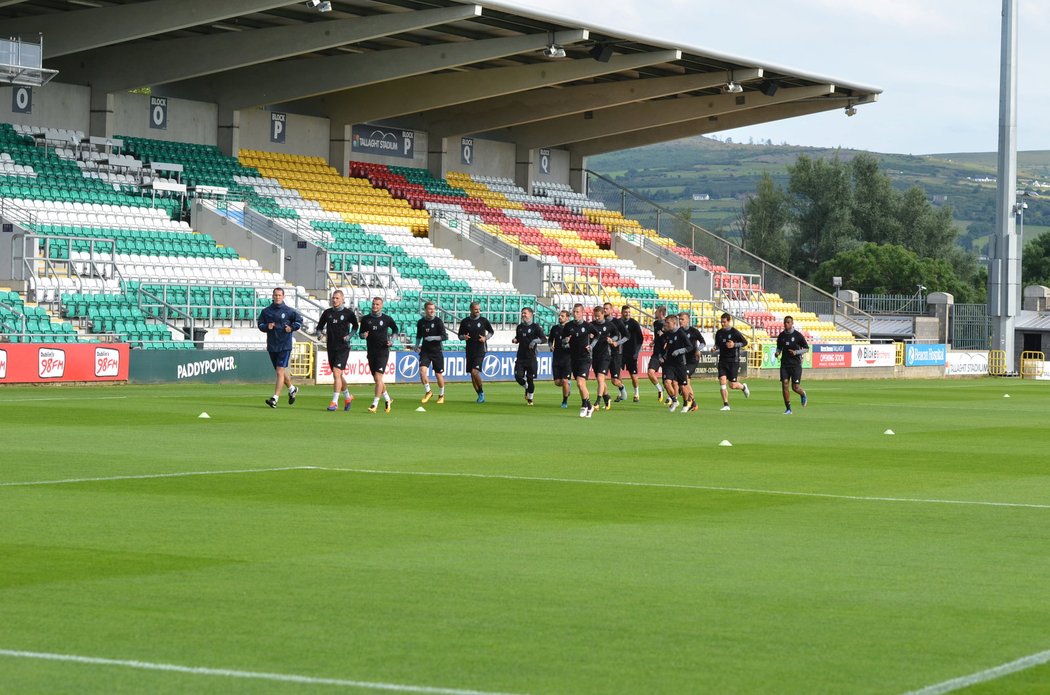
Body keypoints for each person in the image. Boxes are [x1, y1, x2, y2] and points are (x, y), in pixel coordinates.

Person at [258, 287, 303, 408]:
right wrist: (267, 326)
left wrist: (291, 328)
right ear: (272, 296)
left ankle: (275, 398)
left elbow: (299, 321)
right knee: (280, 373)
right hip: (272, 345)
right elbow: (260, 325)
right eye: (276, 295)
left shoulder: (289, 311)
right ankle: (292, 389)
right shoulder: (266, 311)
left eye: (279, 295)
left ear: (283, 297)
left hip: (285, 345)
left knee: (279, 371)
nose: (277, 297)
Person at [315, 289, 358, 412]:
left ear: (343, 299)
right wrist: (319, 334)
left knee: (336, 372)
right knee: (338, 375)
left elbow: (355, 326)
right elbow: (319, 327)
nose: (335, 300)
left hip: (343, 347)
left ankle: (334, 402)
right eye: (333, 298)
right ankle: (347, 397)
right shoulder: (327, 313)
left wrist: (349, 336)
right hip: (331, 347)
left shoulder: (348, 313)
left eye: (337, 298)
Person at [359, 296, 398, 413]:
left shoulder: (387, 319)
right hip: (371, 352)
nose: (375, 306)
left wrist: (392, 341)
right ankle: (387, 399)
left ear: (381, 306)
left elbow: (395, 329)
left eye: (377, 304)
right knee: (378, 380)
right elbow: (361, 333)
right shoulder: (366, 319)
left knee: (378, 378)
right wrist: (363, 335)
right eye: (373, 304)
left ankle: (374, 404)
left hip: (383, 351)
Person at [711, 312, 751, 411]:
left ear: (729, 321)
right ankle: (726, 404)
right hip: (723, 360)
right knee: (722, 381)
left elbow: (745, 342)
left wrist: (735, 345)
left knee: (732, 385)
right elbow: (718, 344)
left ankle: (743, 387)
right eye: (721, 322)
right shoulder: (719, 333)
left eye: (724, 322)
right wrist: (715, 348)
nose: (722, 324)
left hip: (733, 360)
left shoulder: (735, 332)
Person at [564, 303, 599, 417]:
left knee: (580, 382)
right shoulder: (568, 326)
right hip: (573, 358)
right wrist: (566, 341)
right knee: (581, 385)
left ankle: (584, 405)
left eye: (578, 312)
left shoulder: (587, 326)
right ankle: (589, 407)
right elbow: (563, 341)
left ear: (582, 312)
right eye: (574, 311)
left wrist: (591, 346)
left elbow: (597, 335)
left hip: (585, 357)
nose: (575, 314)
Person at [458, 301, 494, 403]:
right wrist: (464, 337)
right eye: (476, 309)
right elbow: (459, 335)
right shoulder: (465, 322)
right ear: (471, 309)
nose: (478, 311)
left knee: (475, 372)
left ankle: (481, 392)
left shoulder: (483, 321)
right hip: (470, 351)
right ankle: (479, 395)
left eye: (479, 309)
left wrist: (485, 338)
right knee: (472, 375)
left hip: (480, 350)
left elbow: (491, 332)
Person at [775, 315, 809, 415]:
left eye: (788, 322)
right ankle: (788, 408)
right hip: (785, 364)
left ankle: (802, 394)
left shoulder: (798, 335)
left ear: (792, 323)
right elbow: (779, 348)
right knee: (784, 384)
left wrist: (796, 352)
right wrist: (777, 353)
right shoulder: (781, 336)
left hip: (795, 364)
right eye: (785, 322)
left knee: (795, 387)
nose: (786, 324)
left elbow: (806, 348)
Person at [414, 301, 447, 404]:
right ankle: (428, 392)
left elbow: (445, 337)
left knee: (438, 375)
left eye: (433, 308)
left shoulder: (438, 321)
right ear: (425, 310)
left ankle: (441, 395)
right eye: (430, 309)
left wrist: (433, 338)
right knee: (422, 371)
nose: (432, 310)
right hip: (425, 351)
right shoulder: (421, 322)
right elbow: (419, 335)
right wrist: (416, 345)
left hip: (436, 351)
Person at [660, 313, 694, 412]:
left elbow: (690, 347)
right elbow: (664, 346)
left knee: (682, 386)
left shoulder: (681, 333)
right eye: (665, 322)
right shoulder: (667, 334)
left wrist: (679, 351)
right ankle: (674, 400)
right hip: (669, 363)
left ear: (674, 323)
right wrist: (662, 356)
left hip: (680, 363)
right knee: (666, 382)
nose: (666, 324)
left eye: (668, 322)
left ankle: (686, 404)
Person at [512, 306, 546, 405]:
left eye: (525, 313)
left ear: (530, 315)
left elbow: (544, 339)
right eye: (522, 313)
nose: (523, 315)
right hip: (520, 357)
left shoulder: (536, 327)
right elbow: (518, 338)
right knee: (518, 376)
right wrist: (515, 340)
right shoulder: (519, 327)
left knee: (530, 379)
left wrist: (535, 341)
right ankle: (525, 386)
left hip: (531, 357)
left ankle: (530, 399)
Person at [590, 306, 620, 411]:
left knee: (600, 378)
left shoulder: (609, 325)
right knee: (600, 381)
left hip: (605, 355)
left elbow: (617, 335)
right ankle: (607, 397)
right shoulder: (591, 325)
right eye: (595, 316)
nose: (597, 318)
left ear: (603, 314)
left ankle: (597, 402)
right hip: (595, 355)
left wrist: (612, 340)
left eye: (598, 316)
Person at [679, 311, 706, 412]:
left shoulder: (694, 331)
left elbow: (703, 342)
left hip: (692, 360)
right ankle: (693, 403)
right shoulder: (679, 331)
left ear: (688, 320)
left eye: (682, 319)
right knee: (684, 384)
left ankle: (688, 403)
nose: (680, 321)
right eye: (679, 319)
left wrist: (698, 349)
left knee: (684, 379)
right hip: (682, 360)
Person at [603, 301, 629, 403]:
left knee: (614, 380)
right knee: (601, 378)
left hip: (615, 353)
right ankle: (605, 397)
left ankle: (622, 388)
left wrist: (617, 343)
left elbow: (627, 336)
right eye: (604, 308)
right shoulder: (601, 322)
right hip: (603, 354)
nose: (605, 310)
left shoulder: (618, 322)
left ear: (611, 310)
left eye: (606, 309)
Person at [548, 309, 573, 408]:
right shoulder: (554, 328)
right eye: (559, 315)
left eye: (562, 316)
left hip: (568, 358)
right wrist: (550, 346)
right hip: (557, 358)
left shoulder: (571, 328)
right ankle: (567, 387)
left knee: (565, 381)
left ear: (567, 317)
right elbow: (550, 340)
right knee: (558, 382)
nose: (560, 317)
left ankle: (564, 401)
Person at [620, 304, 644, 402]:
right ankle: (621, 393)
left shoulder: (634, 323)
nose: (627, 314)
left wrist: (636, 352)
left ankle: (636, 394)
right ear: (622, 313)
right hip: (620, 352)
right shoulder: (618, 322)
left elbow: (640, 339)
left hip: (631, 352)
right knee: (617, 373)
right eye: (626, 312)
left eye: (629, 312)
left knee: (633, 375)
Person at [646, 305, 668, 402]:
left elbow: (670, 337)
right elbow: (657, 336)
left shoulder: (667, 324)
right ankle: (660, 389)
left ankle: (671, 397)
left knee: (667, 379)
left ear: (661, 313)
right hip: (656, 353)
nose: (655, 313)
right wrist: (654, 341)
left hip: (666, 355)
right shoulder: (655, 323)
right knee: (650, 372)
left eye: (656, 311)